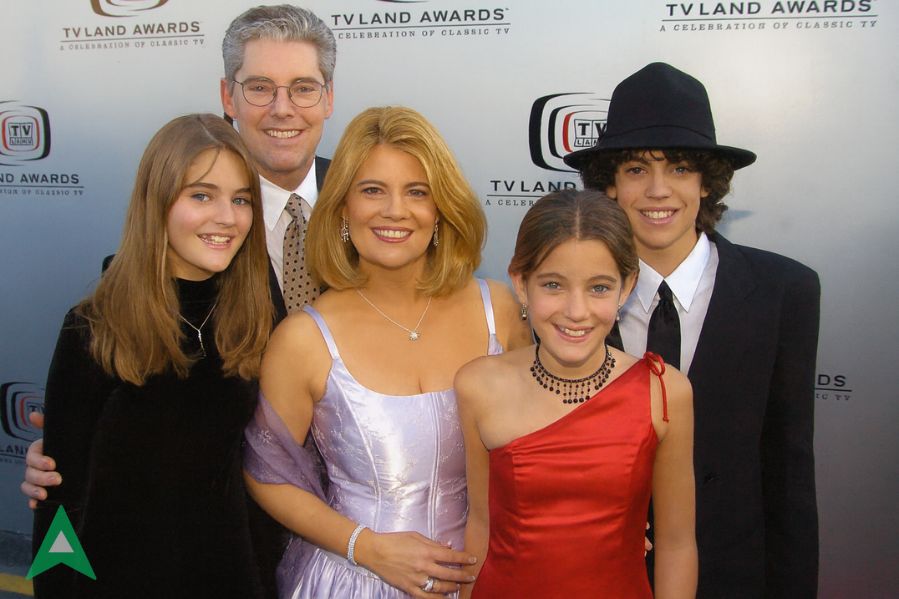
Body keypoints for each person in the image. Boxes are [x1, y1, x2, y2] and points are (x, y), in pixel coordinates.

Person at [23, 6, 338, 595]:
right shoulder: (114, 314)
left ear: (327, 96)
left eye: (302, 87)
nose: (282, 107)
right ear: (229, 94)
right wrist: (67, 457)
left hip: (336, 537)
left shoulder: (373, 208)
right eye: (260, 86)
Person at [242, 106, 531, 598]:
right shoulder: (303, 339)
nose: (395, 210)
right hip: (350, 580)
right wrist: (367, 547)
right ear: (342, 208)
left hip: (487, 575)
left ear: (441, 209)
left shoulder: (497, 310)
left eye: (417, 191)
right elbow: (268, 475)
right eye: (372, 190)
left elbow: (541, 442)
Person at [563, 62, 820, 598]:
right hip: (597, 576)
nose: (658, 190)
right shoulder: (566, 298)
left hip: (733, 576)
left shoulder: (783, 290)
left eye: (679, 169)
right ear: (609, 184)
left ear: (707, 182)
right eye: (636, 169)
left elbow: (788, 467)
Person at [31, 114, 272, 598]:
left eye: (241, 199)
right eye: (201, 195)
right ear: (157, 201)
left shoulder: (260, 306)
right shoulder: (93, 327)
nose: (227, 217)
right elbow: (59, 499)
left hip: (232, 574)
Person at [455, 190, 696, 598]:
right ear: (520, 283)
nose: (576, 311)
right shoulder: (478, 385)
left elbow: (676, 545)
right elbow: (481, 526)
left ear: (626, 287)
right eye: (553, 285)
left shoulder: (664, 391)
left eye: (599, 288)